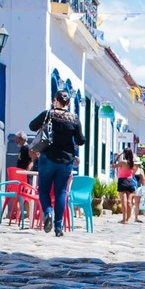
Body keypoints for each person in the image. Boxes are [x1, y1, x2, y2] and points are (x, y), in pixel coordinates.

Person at [28, 90, 85, 236]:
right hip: (66, 160)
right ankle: (58, 227)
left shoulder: (48, 114)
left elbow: (32, 126)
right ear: (69, 103)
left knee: (43, 190)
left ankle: (47, 212)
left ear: (55, 100)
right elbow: (81, 140)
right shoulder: (74, 119)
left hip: (47, 157)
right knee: (61, 192)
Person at [115, 148, 136, 224]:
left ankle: (124, 219)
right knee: (129, 201)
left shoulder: (123, 162)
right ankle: (128, 218)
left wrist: (117, 157)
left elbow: (113, 165)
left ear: (124, 154)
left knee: (124, 201)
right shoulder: (132, 163)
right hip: (130, 181)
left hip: (122, 181)